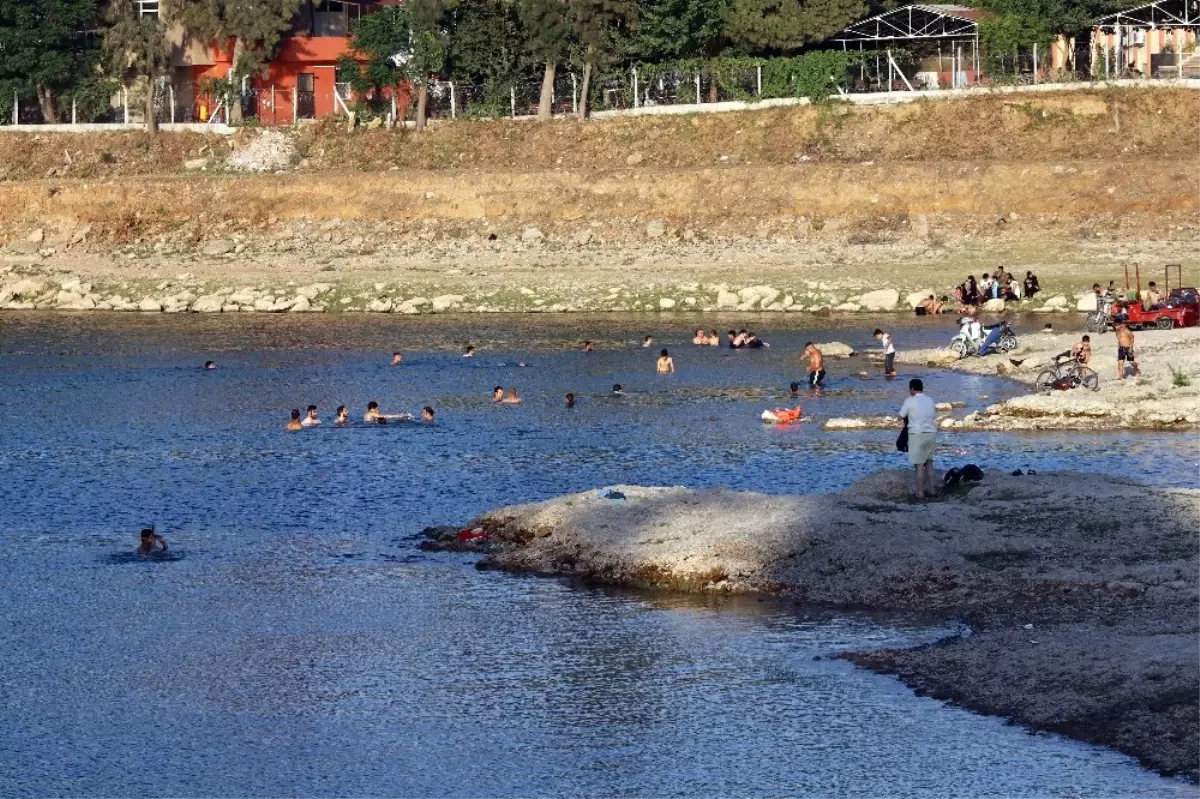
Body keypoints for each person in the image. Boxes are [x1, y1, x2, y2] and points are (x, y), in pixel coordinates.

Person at [899, 378, 937, 499]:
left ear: (912, 389)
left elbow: (901, 415)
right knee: (929, 463)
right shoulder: (930, 400)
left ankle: (920, 492)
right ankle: (932, 490)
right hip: (931, 433)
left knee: (919, 465)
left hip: (917, 434)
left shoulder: (909, 400)